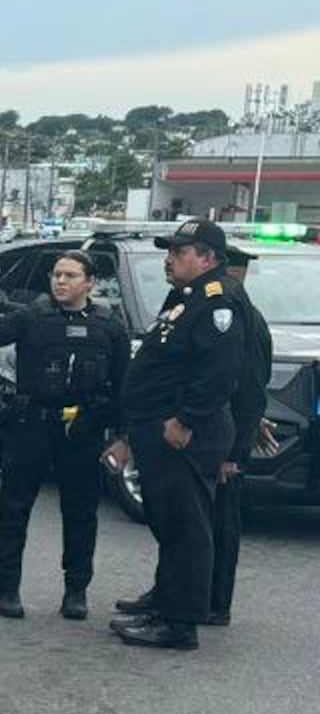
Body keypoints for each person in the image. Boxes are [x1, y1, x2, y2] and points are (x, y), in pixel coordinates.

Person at [0, 249, 126, 620]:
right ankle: (7, 590)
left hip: (82, 429)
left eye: (70, 275)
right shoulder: (33, 316)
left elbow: (122, 385)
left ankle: (76, 591)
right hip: (31, 425)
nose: (60, 281)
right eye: (56, 275)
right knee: (14, 509)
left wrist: (120, 435)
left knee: (81, 512)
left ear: (90, 283)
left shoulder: (108, 326)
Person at [107, 218, 244, 651]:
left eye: (179, 252)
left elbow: (219, 372)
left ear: (207, 257)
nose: (169, 259)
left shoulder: (219, 301)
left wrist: (186, 419)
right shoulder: (187, 296)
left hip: (185, 434)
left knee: (187, 527)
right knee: (170, 523)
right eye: (169, 251)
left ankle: (179, 623)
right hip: (158, 429)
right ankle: (166, 603)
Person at [206, 243, 276, 627]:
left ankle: (215, 602)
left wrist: (235, 451)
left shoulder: (246, 319)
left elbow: (251, 390)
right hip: (214, 433)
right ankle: (186, 590)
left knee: (221, 521)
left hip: (227, 439)